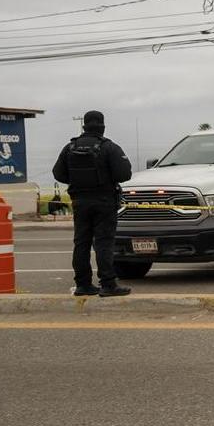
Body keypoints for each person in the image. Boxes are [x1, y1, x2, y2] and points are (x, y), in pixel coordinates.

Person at [52, 110, 133, 296]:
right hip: (104, 201)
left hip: (79, 201)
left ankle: (83, 284)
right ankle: (108, 284)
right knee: (104, 243)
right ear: (103, 127)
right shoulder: (109, 147)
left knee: (81, 243)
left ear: (84, 126)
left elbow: (58, 174)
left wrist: (78, 182)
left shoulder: (70, 147)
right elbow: (124, 174)